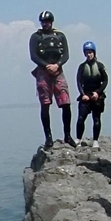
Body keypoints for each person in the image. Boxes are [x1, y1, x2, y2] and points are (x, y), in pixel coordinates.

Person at [29, 10, 75, 148]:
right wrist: (46, 65)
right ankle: (48, 137)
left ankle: (68, 135)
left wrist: (57, 65)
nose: (45, 24)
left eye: (47, 22)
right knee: (45, 103)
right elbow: (33, 55)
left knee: (65, 103)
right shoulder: (35, 37)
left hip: (58, 70)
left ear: (51, 22)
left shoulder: (60, 36)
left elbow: (66, 54)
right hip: (43, 71)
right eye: (43, 22)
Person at [75, 41, 108, 148]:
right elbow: (79, 81)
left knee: (96, 119)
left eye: (90, 52)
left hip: (97, 96)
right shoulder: (82, 67)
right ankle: (78, 139)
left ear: (94, 53)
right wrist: (83, 94)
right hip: (85, 95)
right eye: (87, 52)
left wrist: (98, 93)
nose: (89, 54)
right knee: (81, 118)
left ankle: (95, 140)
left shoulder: (99, 66)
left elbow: (105, 80)